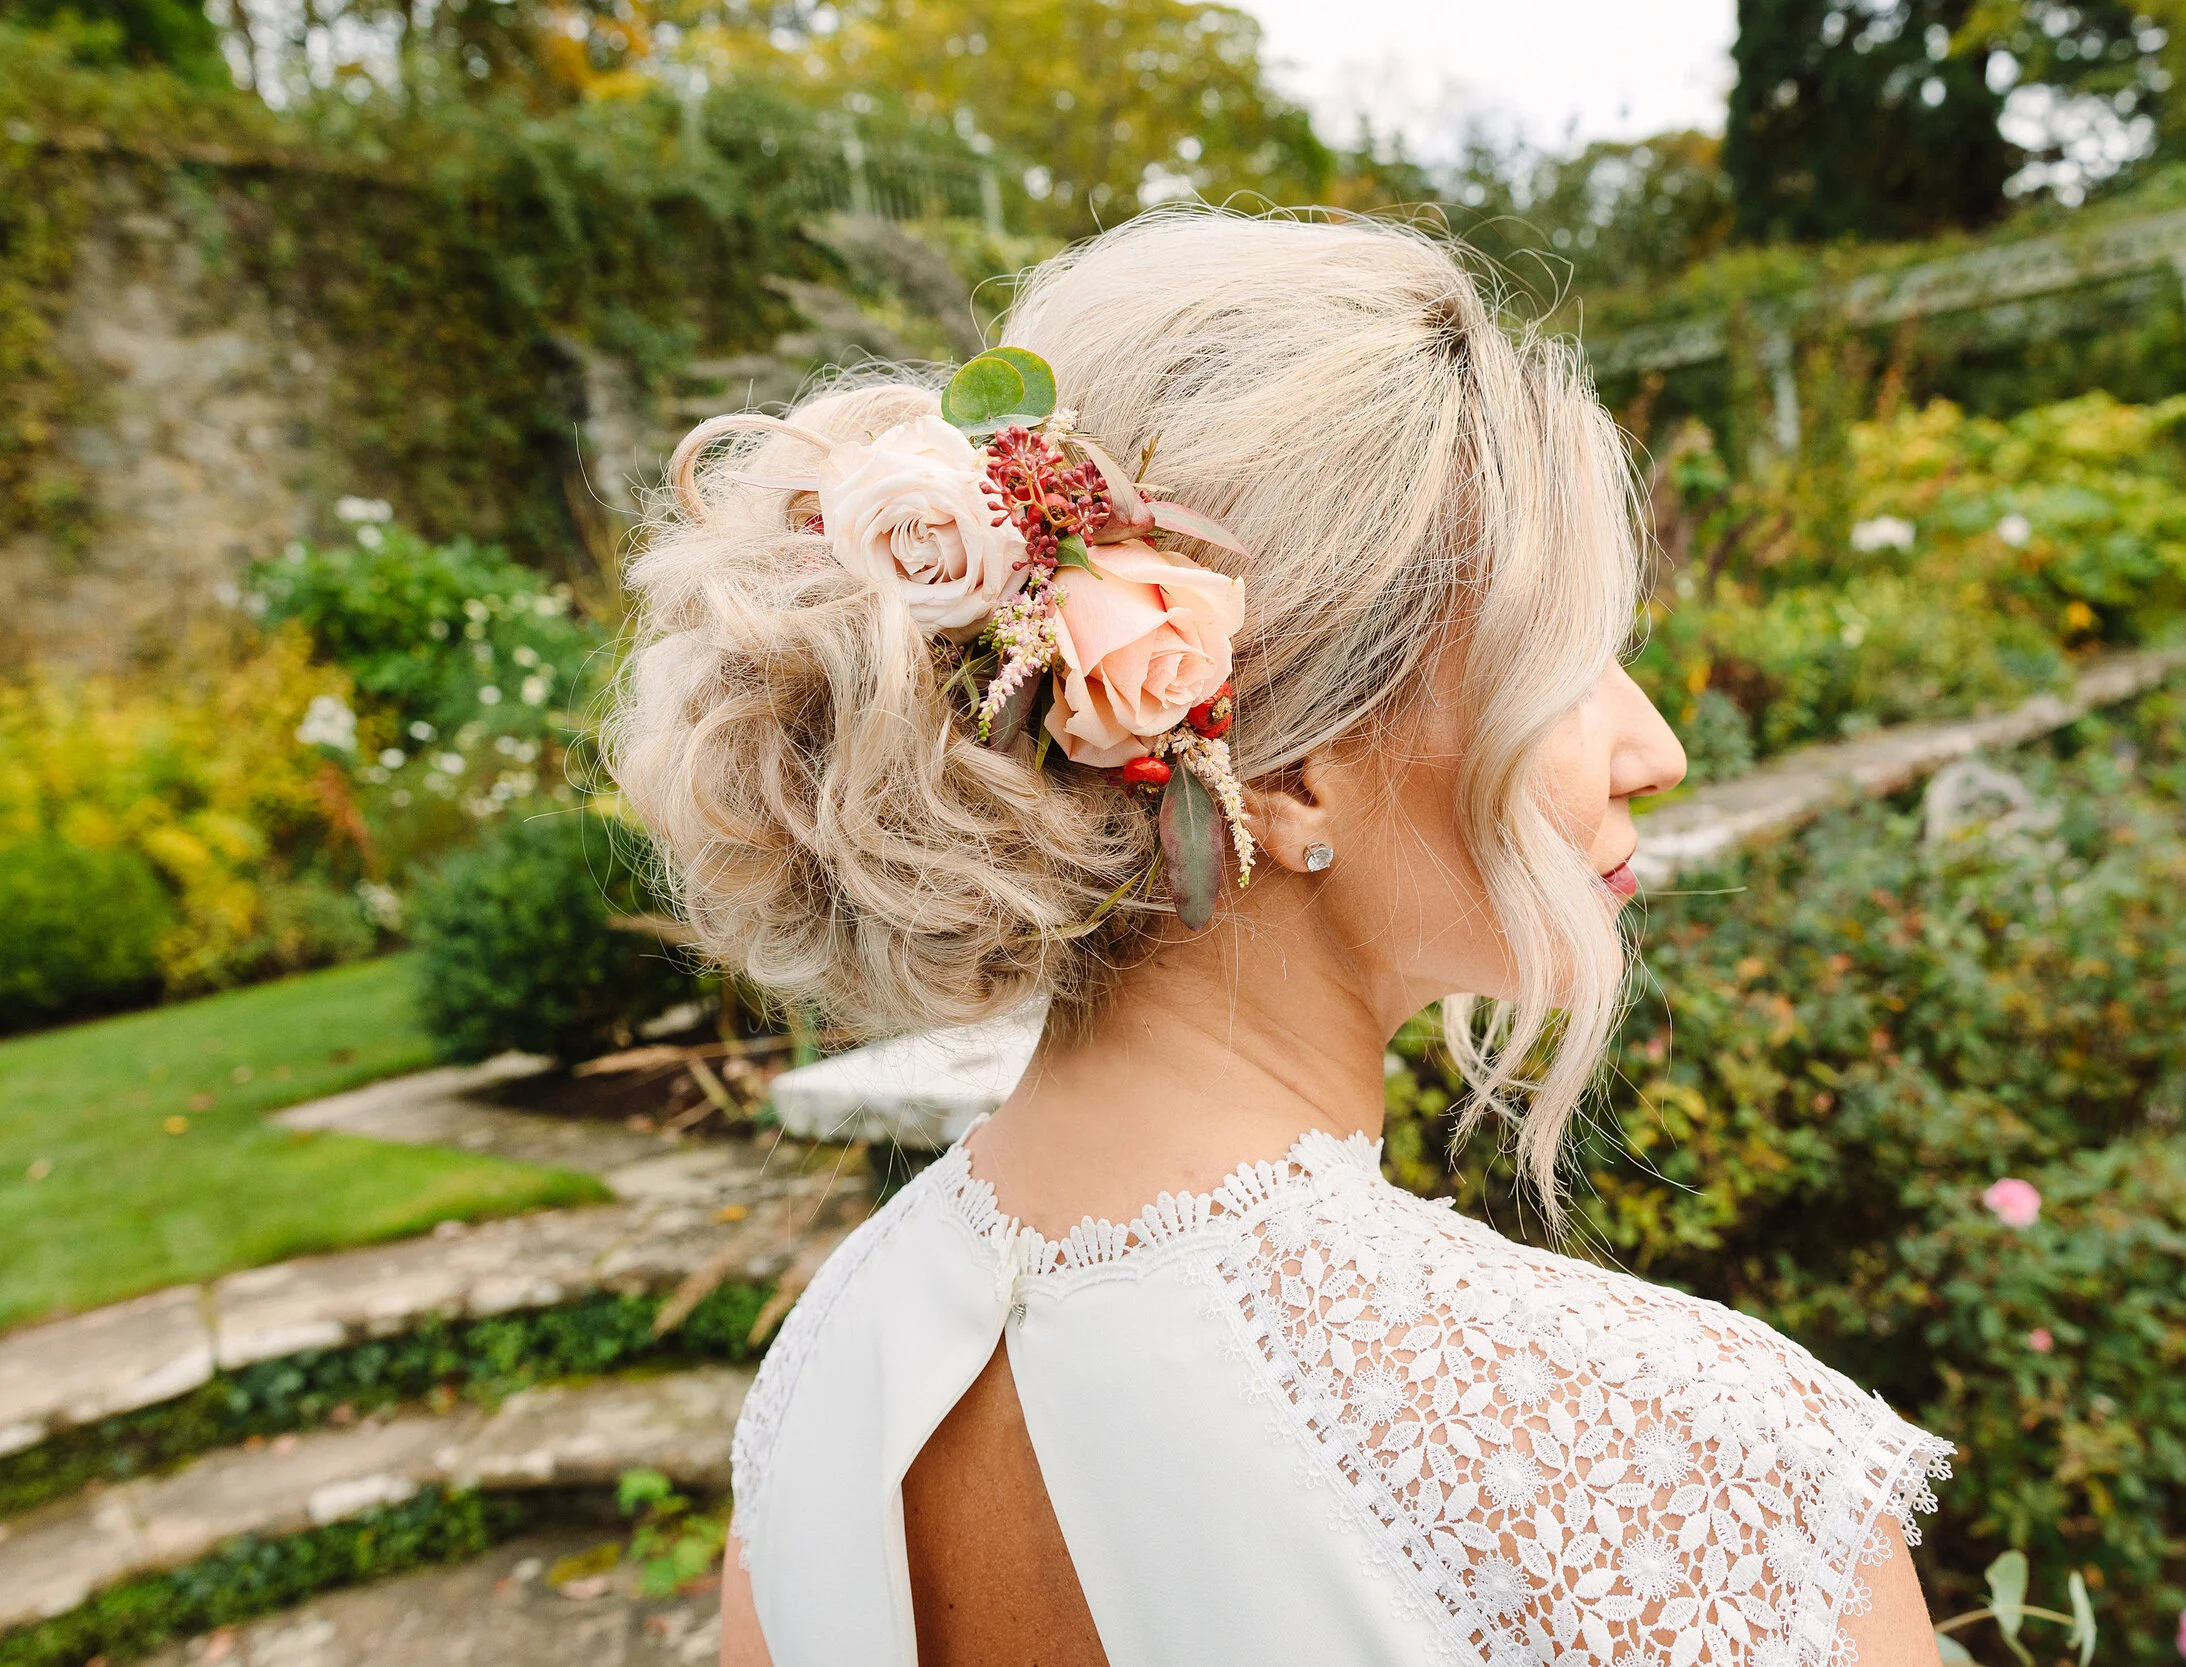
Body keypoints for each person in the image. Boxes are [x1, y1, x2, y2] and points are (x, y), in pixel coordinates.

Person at [607, 209, 1951, 1667]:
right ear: (1292, 773)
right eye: (1566, 661)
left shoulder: (825, 1375)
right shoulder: (1700, 1468)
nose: (1658, 748)